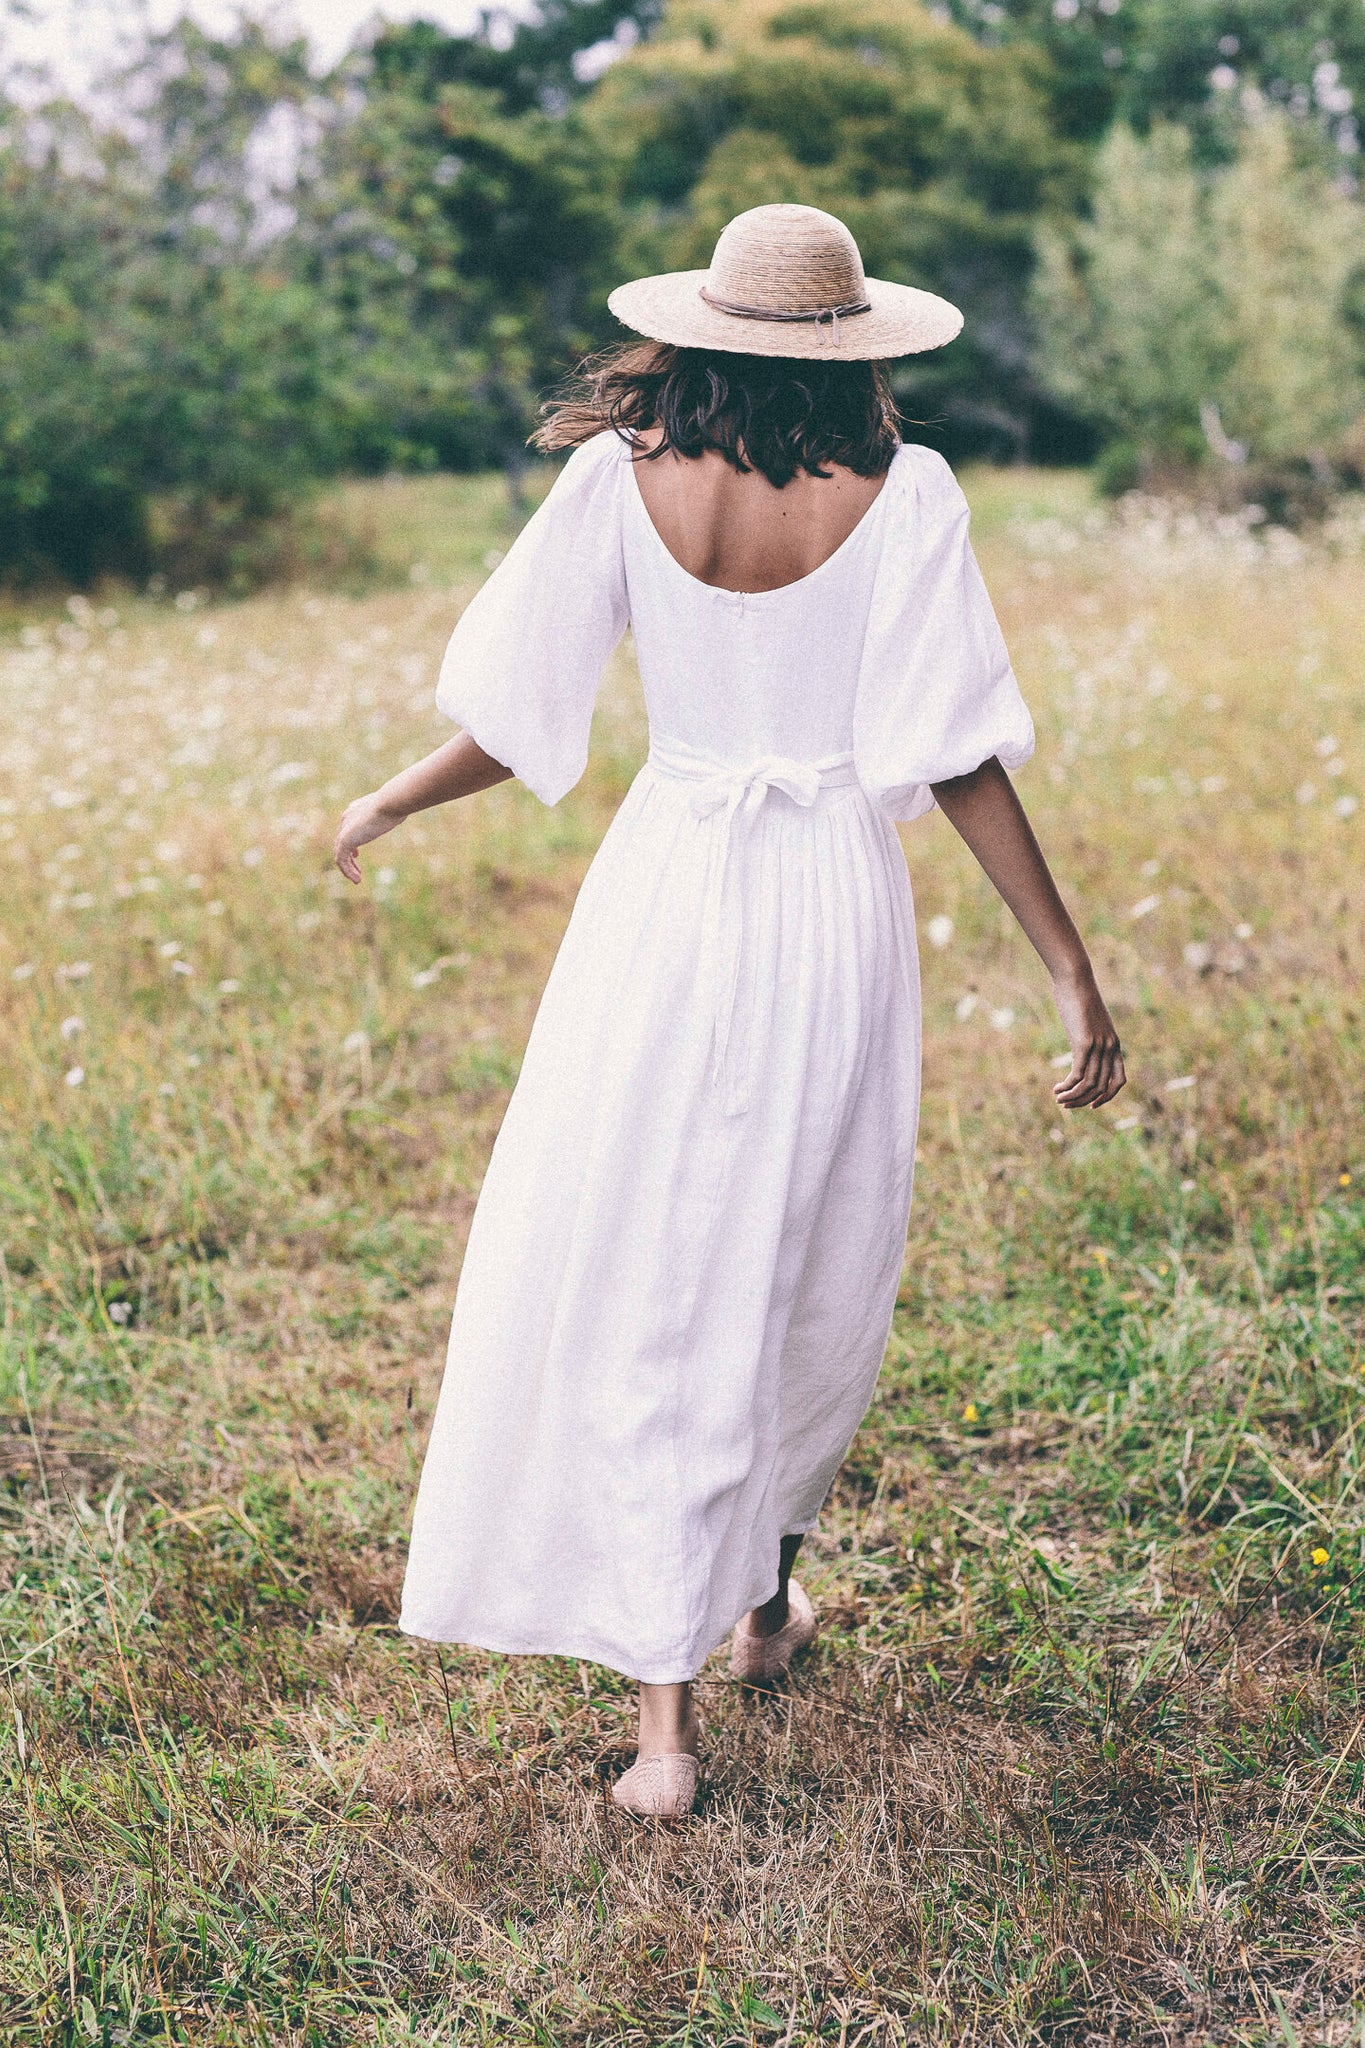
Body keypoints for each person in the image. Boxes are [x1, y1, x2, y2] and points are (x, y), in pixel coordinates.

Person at [333, 204, 1126, 1819]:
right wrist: (1063, 961)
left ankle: (668, 1728)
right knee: (805, 1253)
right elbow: (956, 751)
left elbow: (517, 712)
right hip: (827, 895)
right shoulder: (903, 493)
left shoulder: (610, 480)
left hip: (667, 895)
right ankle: (757, 1599)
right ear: (852, 350)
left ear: (693, 332)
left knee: (658, 1258)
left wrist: (395, 800)